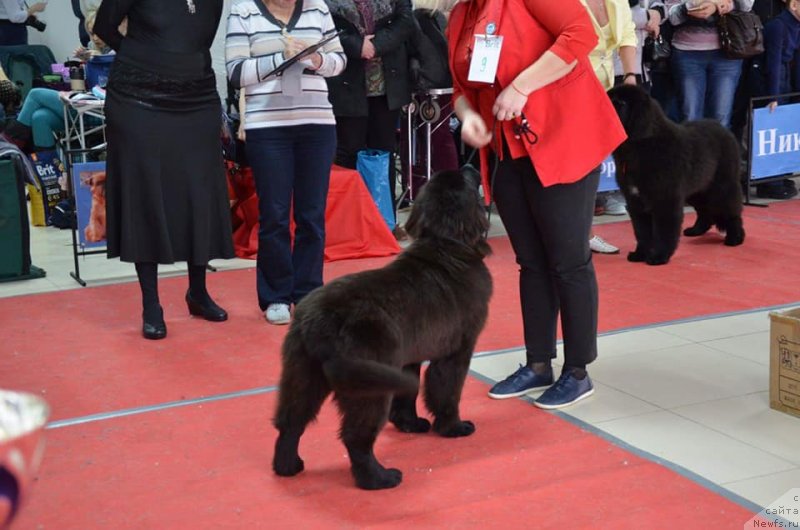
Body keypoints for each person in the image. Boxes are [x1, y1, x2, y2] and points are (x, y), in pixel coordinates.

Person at [448, 0, 626, 408]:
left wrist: (522, 84)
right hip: (509, 149)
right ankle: (538, 363)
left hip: (564, 137)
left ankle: (578, 370)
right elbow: (462, 88)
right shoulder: (460, 15)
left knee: (568, 260)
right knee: (531, 261)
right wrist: (467, 116)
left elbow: (581, 33)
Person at [94, 0, 234, 340]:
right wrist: (145, 57)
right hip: (138, 96)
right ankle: (151, 305)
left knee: (198, 190)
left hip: (197, 95)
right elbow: (104, 27)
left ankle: (197, 292)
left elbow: (198, 37)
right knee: (145, 191)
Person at [225, 0, 346, 325]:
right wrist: (282, 59)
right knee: (274, 215)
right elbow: (235, 72)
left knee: (312, 215)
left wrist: (316, 58)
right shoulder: (243, 11)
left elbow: (340, 61)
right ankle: (276, 296)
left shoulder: (317, 7)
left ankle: (308, 293)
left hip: (317, 124)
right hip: (268, 128)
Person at [324, 0, 416, 240]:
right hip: (345, 80)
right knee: (347, 151)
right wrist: (356, 46)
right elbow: (320, 27)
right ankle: (347, 223)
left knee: (383, 151)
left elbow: (405, 20)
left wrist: (376, 45)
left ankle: (385, 220)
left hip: (386, 82)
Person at [583, 0, 637, 252]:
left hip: (603, 87)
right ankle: (577, 233)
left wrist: (630, 75)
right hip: (567, 83)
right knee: (577, 165)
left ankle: (584, 233)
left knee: (591, 162)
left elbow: (627, 33)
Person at [665, 0, 755, 128]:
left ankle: (718, 148)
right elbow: (672, 16)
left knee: (721, 118)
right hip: (688, 53)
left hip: (728, 51)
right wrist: (695, 5)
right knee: (690, 118)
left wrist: (723, 5)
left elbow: (747, 4)